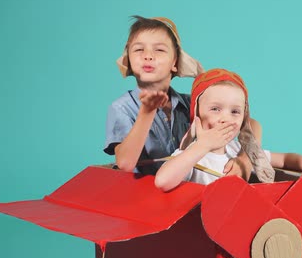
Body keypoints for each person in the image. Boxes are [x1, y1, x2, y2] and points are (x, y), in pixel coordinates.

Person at [104, 16, 257, 177]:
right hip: (145, 194)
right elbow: (125, 164)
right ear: (129, 58)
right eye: (139, 49)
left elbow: (252, 125)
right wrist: (147, 112)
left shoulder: (190, 102)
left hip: (190, 191)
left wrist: (245, 158)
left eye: (159, 50)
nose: (148, 55)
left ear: (175, 62)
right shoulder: (122, 108)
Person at [155, 68, 302, 192]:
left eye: (235, 111)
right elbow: (162, 181)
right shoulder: (191, 155)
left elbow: (287, 159)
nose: (225, 118)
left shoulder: (237, 150)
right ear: (196, 114)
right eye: (215, 109)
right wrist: (201, 146)